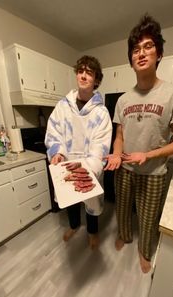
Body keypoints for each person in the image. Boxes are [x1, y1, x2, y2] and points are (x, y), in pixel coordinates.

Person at [104, 14, 173, 272]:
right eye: (135, 49)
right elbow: (119, 136)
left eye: (148, 46)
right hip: (125, 170)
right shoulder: (123, 100)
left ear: (159, 54)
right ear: (131, 59)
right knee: (122, 210)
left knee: (148, 217)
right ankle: (125, 236)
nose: (141, 53)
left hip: (153, 172)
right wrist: (117, 155)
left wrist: (149, 155)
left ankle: (145, 251)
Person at [45, 55, 112, 250]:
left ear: (96, 80)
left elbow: (101, 144)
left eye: (89, 73)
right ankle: (74, 226)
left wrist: (86, 169)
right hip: (66, 163)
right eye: (80, 71)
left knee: (91, 202)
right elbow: (53, 131)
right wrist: (57, 152)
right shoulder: (62, 106)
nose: (83, 76)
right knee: (70, 200)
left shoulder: (101, 113)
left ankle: (92, 232)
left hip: (89, 167)